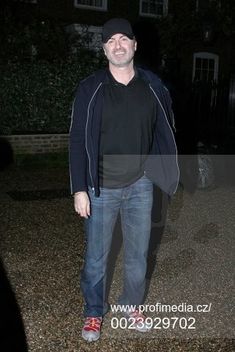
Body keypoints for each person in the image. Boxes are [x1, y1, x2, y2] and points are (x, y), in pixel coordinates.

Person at [69, 18, 179, 342]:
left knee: (137, 254)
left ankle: (131, 305)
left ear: (134, 45)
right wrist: (79, 189)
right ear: (104, 49)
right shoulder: (91, 88)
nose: (117, 45)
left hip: (141, 185)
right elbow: (76, 140)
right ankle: (93, 311)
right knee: (96, 257)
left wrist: (164, 172)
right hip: (99, 187)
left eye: (123, 39)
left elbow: (165, 130)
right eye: (111, 40)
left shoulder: (153, 85)